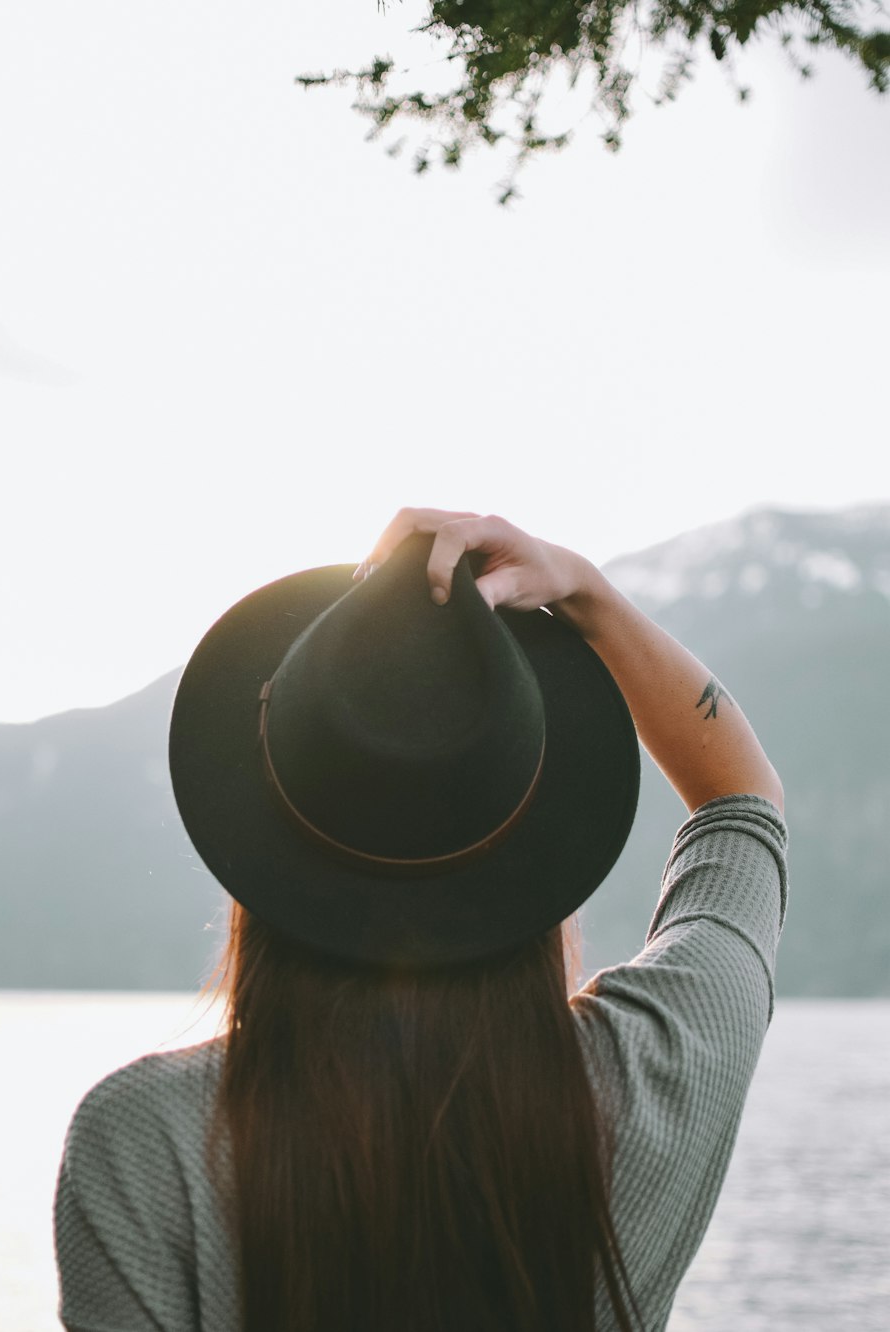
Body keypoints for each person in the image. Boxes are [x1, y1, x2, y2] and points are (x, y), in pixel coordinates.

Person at [54, 508, 787, 1332]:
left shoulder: (141, 1143)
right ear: (533, 840)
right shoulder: (655, 1071)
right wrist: (583, 591)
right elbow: (741, 800)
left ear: (263, 845)